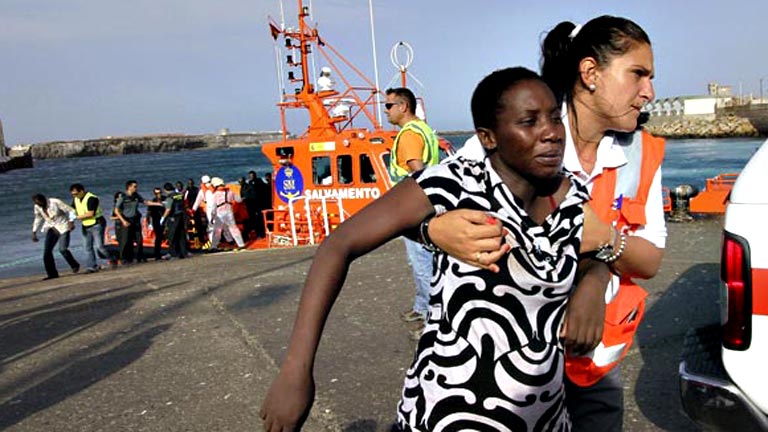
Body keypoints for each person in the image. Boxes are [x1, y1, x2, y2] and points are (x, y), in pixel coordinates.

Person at [261, 67, 613, 431]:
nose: (552, 133)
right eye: (529, 121)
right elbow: (339, 244)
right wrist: (296, 371)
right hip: (445, 416)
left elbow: (590, 253)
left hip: (545, 418)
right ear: (488, 137)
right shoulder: (458, 183)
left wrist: (594, 281)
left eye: (554, 117)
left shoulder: (571, 196)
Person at [425, 16, 664, 432]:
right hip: (508, 367)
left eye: (650, 78)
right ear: (590, 73)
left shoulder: (643, 154)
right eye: (638, 74)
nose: (649, 92)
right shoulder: (519, 133)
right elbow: (426, 202)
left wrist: (605, 243)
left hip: (593, 366)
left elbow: (650, 261)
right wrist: (432, 228)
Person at [385, 87, 441, 337]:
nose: (386, 111)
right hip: (427, 205)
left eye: (389, 105)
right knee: (425, 261)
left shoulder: (408, 135)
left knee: (422, 265)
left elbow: (418, 172)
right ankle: (421, 307)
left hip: (414, 208)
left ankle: (433, 324)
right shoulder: (424, 129)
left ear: (403, 106)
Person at [32, 193, 80, 280]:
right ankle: (52, 274)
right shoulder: (37, 206)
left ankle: (74, 264)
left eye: (40, 203)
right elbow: (38, 218)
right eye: (37, 204)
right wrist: (34, 231)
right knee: (47, 252)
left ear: (44, 199)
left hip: (63, 226)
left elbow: (72, 210)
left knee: (62, 249)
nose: (39, 205)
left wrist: (71, 221)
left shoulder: (55, 202)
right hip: (52, 228)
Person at [70, 183, 114, 272]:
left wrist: (76, 217)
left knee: (100, 247)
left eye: (76, 194)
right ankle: (91, 266)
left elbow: (90, 213)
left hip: (97, 223)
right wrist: (71, 221)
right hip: (86, 225)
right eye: (73, 194)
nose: (74, 196)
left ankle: (112, 258)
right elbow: (72, 210)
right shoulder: (76, 199)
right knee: (87, 247)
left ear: (81, 191)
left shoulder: (92, 198)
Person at [209, 177, 245, 251]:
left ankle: (214, 246)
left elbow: (213, 208)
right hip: (229, 212)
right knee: (234, 228)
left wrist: (212, 217)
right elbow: (239, 200)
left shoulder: (215, 195)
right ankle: (241, 244)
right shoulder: (230, 192)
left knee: (217, 230)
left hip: (220, 214)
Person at [161, 182, 188, 259]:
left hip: (173, 217)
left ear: (165, 190)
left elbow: (168, 209)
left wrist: (163, 218)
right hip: (181, 216)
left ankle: (173, 253)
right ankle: (183, 252)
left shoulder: (170, 197)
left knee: (172, 236)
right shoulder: (179, 195)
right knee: (181, 235)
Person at [146, 187, 166, 260]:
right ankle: (157, 253)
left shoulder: (165, 200)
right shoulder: (153, 202)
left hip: (165, 220)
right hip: (156, 220)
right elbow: (148, 213)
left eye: (160, 193)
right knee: (158, 236)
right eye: (157, 193)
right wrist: (149, 223)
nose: (159, 195)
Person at [184, 178, 205, 246]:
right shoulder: (186, 191)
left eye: (191, 183)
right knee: (188, 225)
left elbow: (199, 199)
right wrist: (187, 208)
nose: (190, 185)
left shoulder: (196, 190)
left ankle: (201, 239)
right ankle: (190, 239)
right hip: (189, 209)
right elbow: (185, 200)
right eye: (189, 183)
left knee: (198, 225)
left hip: (196, 209)